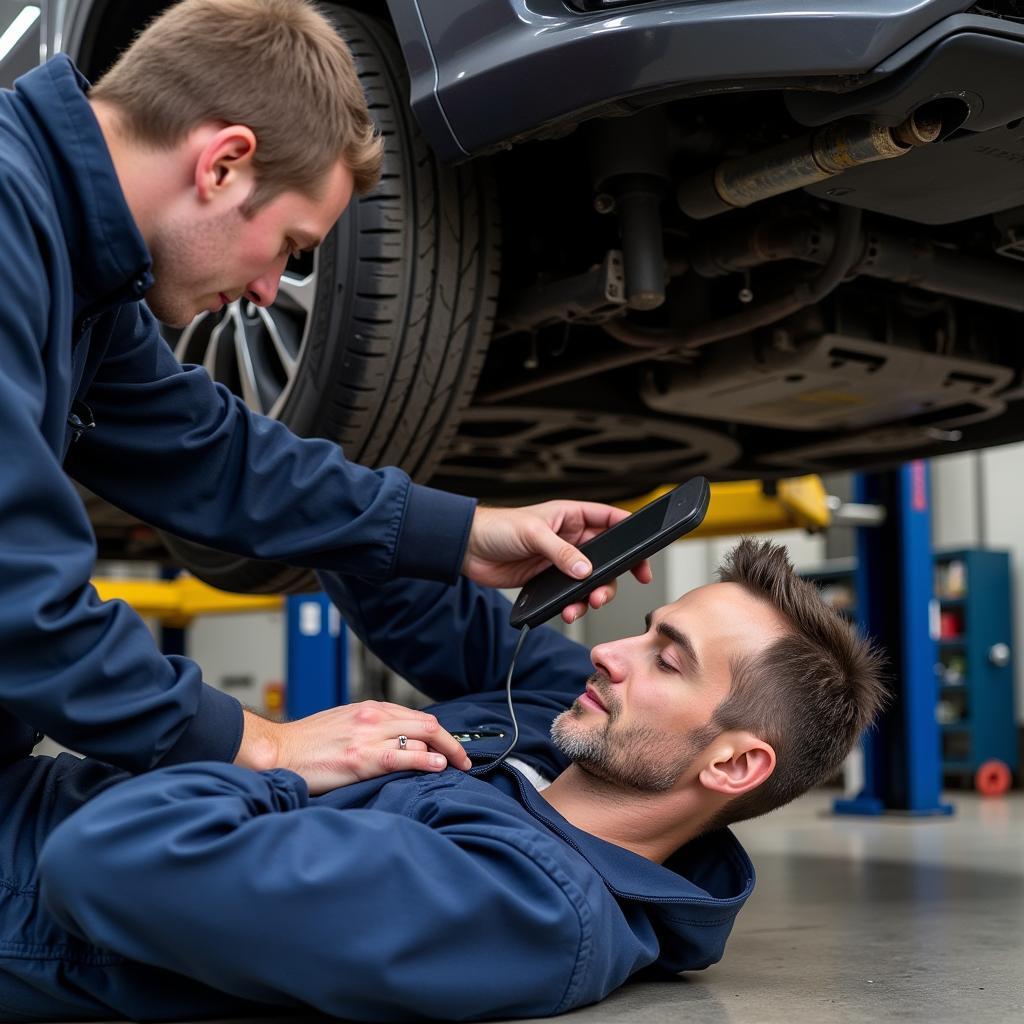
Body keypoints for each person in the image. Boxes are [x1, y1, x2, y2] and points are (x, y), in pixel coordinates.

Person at [0, 0, 646, 795]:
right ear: (223, 164)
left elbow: (214, 456)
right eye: (290, 246)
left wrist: (463, 533)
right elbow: (17, 600)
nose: (271, 292)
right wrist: (266, 745)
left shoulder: (77, 261)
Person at [0, 539, 884, 1020]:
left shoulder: (525, 906)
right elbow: (387, 580)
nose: (610, 652)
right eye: (646, 626)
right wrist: (464, 531)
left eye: (667, 658)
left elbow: (106, 858)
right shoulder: (562, 724)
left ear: (732, 762)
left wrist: (278, 754)